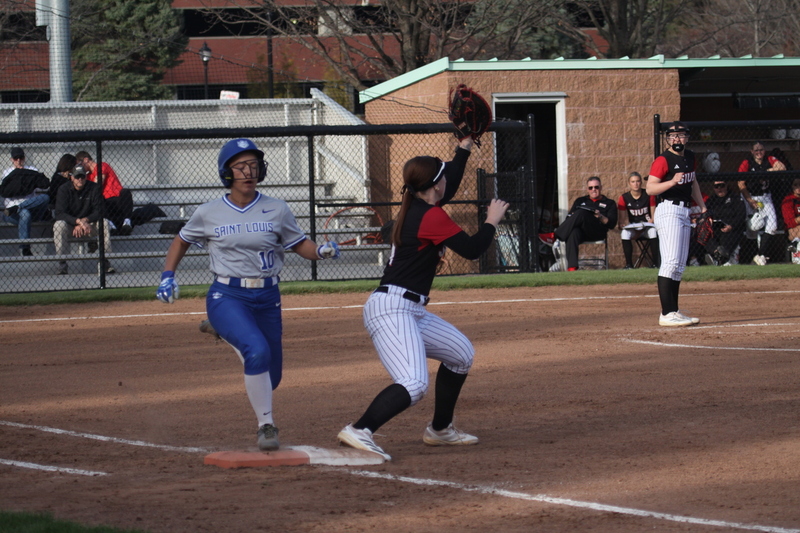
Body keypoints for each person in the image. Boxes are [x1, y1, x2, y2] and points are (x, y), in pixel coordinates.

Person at [156, 138, 341, 452]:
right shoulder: (209, 212)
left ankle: (226, 329)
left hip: (268, 297)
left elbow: (300, 245)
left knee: (273, 376)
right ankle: (266, 426)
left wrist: (321, 251)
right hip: (227, 294)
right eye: (241, 166)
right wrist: (167, 275)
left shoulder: (277, 208)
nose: (248, 171)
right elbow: (181, 240)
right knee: (256, 351)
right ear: (226, 172)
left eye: (253, 165)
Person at [336, 137, 509, 461]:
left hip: (409, 307)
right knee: (413, 383)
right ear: (434, 185)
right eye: (442, 176)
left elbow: (450, 179)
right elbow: (472, 250)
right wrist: (491, 220)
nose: (448, 180)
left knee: (460, 353)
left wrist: (465, 146)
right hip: (391, 309)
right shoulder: (430, 216)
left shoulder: (421, 207)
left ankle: (440, 429)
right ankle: (360, 429)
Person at [646, 122, 707, 327]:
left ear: (687, 137)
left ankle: (674, 310)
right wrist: (672, 182)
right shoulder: (663, 159)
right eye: (672, 136)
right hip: (668, 209)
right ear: (667, 139)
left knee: (679, 265)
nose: (676, 139)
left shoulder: (690, 157)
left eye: (680, 135)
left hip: (684, 210)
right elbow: (650, 188)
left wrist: (703, 207)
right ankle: (666, 313)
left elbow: (693, 182)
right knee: (670, 261)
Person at [53, 164, 115, 275]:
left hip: (90, 225)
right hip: (72, 225)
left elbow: (101, 211)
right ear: (72, 177)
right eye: (77, 177)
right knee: (59, 225)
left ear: (86, 177)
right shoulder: (64, 189)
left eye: (82, 176)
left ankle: (105, 262)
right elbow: (60, 213)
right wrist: (78, 222)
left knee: (104, 223)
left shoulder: (94, 188)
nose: (80, 179)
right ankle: (62, 264)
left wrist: (86, 220)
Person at [553, 176, 617, 271]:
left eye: (596, 187)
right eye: (590, 188)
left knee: (582, 212)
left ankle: (555, 236)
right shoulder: (580, 201)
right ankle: (572, 267)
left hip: (597, 231)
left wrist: (600, 216)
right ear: (587, 189)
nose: (593, 190)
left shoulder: (609, 203)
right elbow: (568, 218)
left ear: (601, 187)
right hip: (582, 232)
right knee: (573, 232)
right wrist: (576, 215)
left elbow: (611, 224)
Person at [737, 141, 785, 265]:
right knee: (753, 228)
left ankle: (761, 255)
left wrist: (766, 171)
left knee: (772, 226)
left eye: (761, 150)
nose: (759, 153)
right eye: (756, 150)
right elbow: (741, 183)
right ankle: (749, 258)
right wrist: (749, 200)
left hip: (765, 197)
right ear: (752, 151)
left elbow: (782, 167)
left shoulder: (769, 159)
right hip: (750, 197)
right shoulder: (747, 162)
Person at [0, 147, 51, 256]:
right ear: (11, 160)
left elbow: (43, 187)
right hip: (12, 213)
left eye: (21, 157)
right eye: (15, 158)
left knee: (45, 198)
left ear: (24, 158)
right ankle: (25, 248)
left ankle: (19, 206)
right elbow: (8, 191)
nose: (18, 160)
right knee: (24, 213)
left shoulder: (32, 170)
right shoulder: (7, 173)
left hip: (33, 210)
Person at [75, 151, 134, 235]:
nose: (81, 168)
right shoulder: (87, 177)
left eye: (80, 164)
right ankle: (111, 226)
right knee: (97, 198)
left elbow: (98, 183)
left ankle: (127, 223)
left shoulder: (102, 165)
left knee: (126, 192)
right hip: (105, 203)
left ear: (86, 160)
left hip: (117, 198)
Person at [617, 171, 660, 269]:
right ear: (629, 183)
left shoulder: (648, 194)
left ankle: (656, 264)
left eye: (638, 181)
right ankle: (629, 265)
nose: (635, 184)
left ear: (641, 182)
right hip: (634, 228)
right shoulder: (624, 198)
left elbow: (654, 217)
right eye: (633, 182)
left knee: (653, 231)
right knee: (624, 233)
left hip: (647, 228)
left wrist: (649, 222)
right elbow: (622, 222)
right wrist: (623, 225)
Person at [703, 180, 746, 266]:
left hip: (732, 228)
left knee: (727, 236)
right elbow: (706, 216)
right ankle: (717, 254)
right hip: (716, 228)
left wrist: (731, 226)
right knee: (704, 233)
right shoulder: (711, 200)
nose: (719, 189)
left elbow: (741, 216)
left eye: (722, 186)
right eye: (716, 187)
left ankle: (718, 260)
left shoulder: (735, 198)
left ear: (726, 186)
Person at [781, 178, 800, 250]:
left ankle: (795, 243)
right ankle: (794, 243)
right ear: (792, 186)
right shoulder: (788, 200)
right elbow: (790, 223)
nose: (799, 188)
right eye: (796, 185)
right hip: (793, 231)